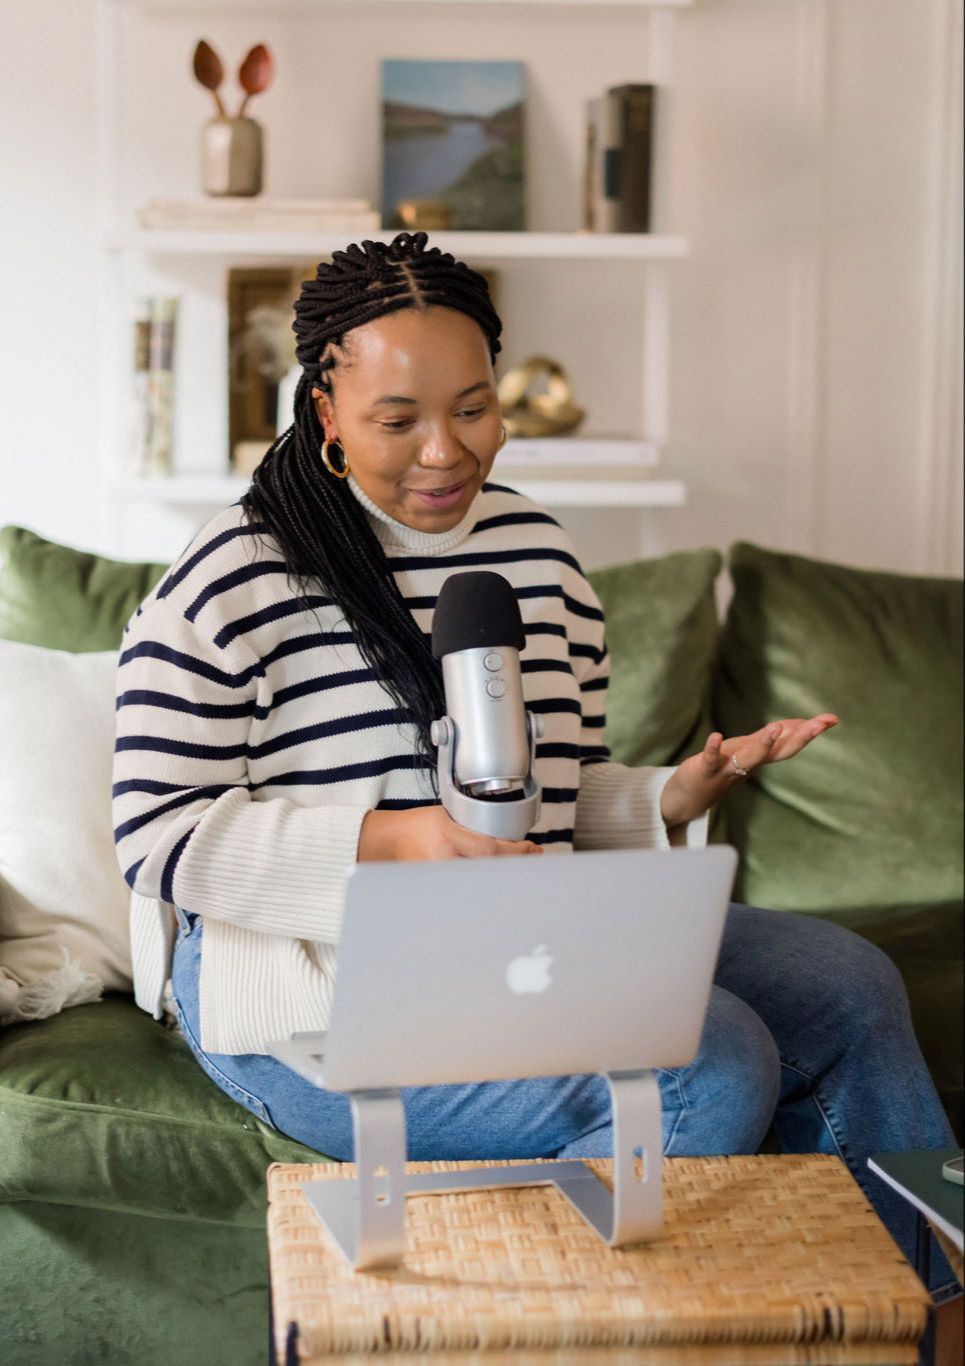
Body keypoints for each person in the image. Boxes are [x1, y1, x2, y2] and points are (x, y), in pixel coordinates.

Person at [112, 230, 958, 1300]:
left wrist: (671, 793)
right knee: (709, 1062)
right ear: (324, 410)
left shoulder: (536, 556)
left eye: (472, 409)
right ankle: (584, 1325)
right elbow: (156, 832)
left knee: (846, 981)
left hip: (516, 936)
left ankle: (924, 1308)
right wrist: (397, 841)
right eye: (397, 421)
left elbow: (541, 799)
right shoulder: (234, 574)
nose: (444, 452)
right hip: (307, 980)